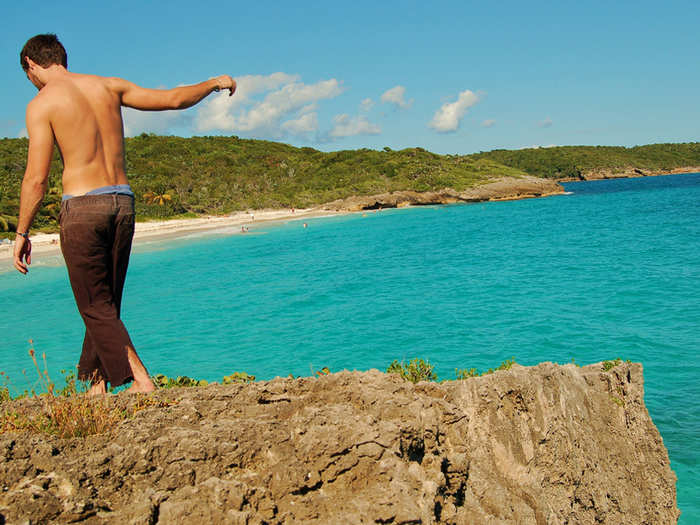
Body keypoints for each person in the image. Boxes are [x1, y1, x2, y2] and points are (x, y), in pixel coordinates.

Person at [13, 34, 236, 395]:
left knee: (94, 303)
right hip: (122, 203)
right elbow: (174, 99)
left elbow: (36, 178)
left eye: (28, 76)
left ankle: (141, 380)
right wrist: (213, 82)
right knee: (105, 299)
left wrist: (22, 233)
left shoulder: (42, 103)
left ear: (32, 65)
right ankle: (96, 384)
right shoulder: (109, 86)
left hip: (84, 208)